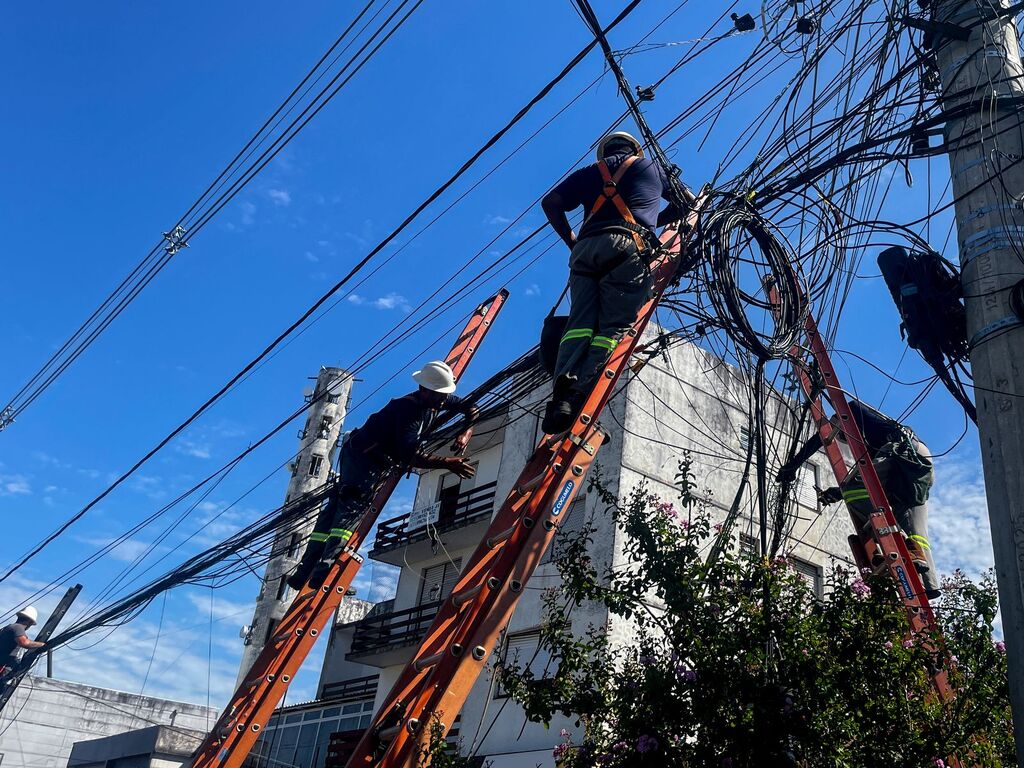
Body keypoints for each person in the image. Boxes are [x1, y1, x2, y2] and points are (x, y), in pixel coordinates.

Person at [288, 361, 479, 590]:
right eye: (439, 395)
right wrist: (448, 464)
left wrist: (465, 433)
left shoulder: (435, 399)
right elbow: (411, 456)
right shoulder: (408, 411)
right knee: (349, 511)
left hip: (363, 454)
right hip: (364, 458)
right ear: (425, 390)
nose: (443, 400)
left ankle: (303, 573)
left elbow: (471, 408)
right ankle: (323, 571)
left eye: (444, 395)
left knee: (334, 511)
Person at [539, 131, 683, 434]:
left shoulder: (591, 172)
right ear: (635, 150)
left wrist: (571, 240)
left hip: (585, 251)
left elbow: (551, 202)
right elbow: (688, 203)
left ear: (604, 154)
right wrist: (655, 219)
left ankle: (562, 397)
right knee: (611, 328)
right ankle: (580, 395)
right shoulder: (652, 169)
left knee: (579, 325)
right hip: (629, 246)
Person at [776, 399, 940, 599]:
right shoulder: (874, 435)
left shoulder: (850, 409)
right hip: (920, 464)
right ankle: (928, 586)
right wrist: (837, 492)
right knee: (912, 525)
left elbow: (822, 435)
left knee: (854, 490)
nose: (842, 438)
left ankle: (894, 544)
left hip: (901, 450)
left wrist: (793, 465)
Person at [0, 606, 44, 681]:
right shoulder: (18, 627)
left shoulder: (8, 628)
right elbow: (24, 643)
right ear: (29, 622)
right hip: (4, 666)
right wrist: (42, 645)